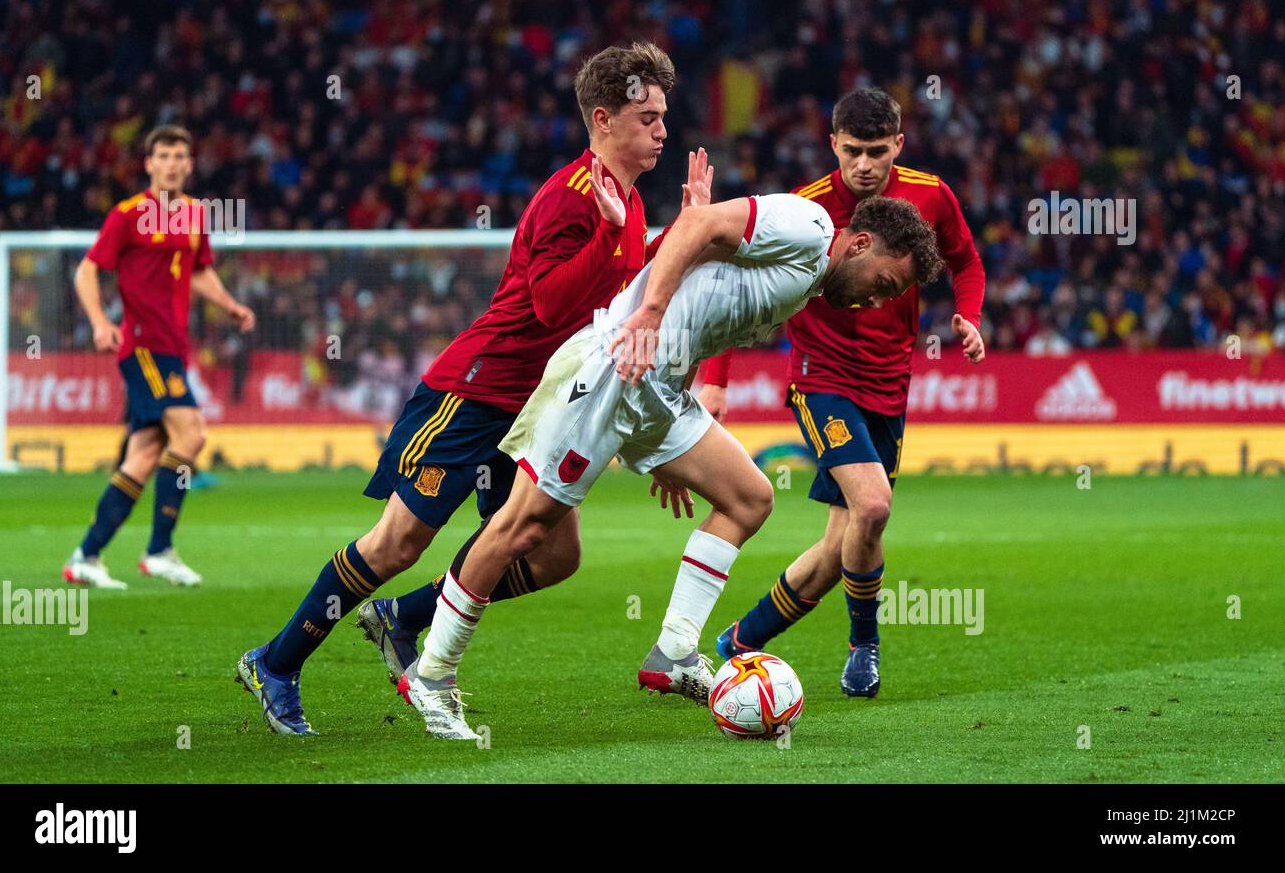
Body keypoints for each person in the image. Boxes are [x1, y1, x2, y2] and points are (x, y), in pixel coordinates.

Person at [235, 43, 705, 734]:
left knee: (553, 554)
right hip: (476, 391)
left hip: (538, 404)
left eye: (665, 115)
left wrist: (685, 232)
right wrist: (606, 239)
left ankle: (404, 616)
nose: (663, 129)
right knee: (397, 542)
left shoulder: (628, 204)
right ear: (603, 119)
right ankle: (275, 663)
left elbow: (625, 296)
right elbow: (549, 305)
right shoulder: (570, 201)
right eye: (647, 116)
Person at [402, 187, 944, 740]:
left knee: (749, 499)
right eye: (883, 285)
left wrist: (663, 440)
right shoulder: (806, 225)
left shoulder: (806, 281)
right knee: (522, 526)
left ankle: (676, 651)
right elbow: (695, 229)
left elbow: (702, 302)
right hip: (614, 368)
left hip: (658, 392)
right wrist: (651, 312)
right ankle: (432, 674)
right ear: (858, 244)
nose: (875, 303)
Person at [698, 88, 986, 698]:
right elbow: (737, 280)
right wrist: (716, 380)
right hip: (821, 378)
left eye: (876, 152)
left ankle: (740, 642)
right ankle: (864, 646)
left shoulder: (931, 195)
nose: (863, 165)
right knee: (874, 506)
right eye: (852, 151)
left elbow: (967, 261)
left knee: (841, 544)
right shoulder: (803, 210)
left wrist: (970, 315)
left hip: (890, 385)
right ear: (833, 144)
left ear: (897, 147)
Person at [65, 124, 255, 589]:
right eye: (163, 155)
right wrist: (99, 322)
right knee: (191, 433)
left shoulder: (194, 214)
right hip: (144, 346)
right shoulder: (128, 215)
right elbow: (87, 271)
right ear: (149, 164)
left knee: (145, 453)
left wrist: (230, 305)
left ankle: (87, 555)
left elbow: (199, 272)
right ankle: (159, 550)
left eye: (179, 156)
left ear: (190, 165)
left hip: (174, 348)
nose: (171, 163)